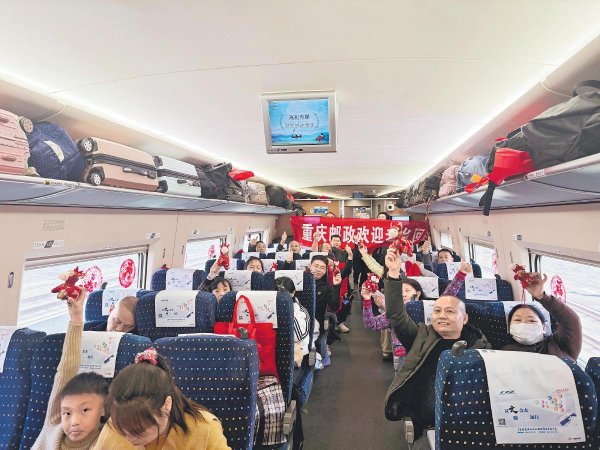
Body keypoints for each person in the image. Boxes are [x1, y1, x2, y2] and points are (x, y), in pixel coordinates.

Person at [383, 250, 489, 448]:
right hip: (429, 421)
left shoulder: (481, 346)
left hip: (470, 421)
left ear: (465, 318)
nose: (441, 315)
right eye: (437, 311)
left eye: (449, 311)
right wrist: (394, 275)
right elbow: (396, 315)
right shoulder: (420, 336)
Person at [93, 348, 230, 449]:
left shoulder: (205, 429)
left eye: (139, 432)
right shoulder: (118, 421)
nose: (129, 439)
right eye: (122, 431)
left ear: (167, 405)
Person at [33, 289, 109, 449]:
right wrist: (76, 318)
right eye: (67, 413)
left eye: (85, 410)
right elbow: (66, 370)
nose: (74, 422)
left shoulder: (104, 442)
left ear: (103, 409)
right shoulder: (53, 425)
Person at [503, 271, 582, 361]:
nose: (524, 324)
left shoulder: (560, 345)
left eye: (532, 321)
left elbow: (571, 321)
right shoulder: (503, 352)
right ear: (510, 327)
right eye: (517, 320)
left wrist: (542, 296)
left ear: (544, 327)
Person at [309, 255, 342, 360]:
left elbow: (334, 307)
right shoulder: (300, 283)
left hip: (316, 323)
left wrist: (336, 286)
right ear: (310, 266)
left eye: (322, 268)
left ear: (325, 271)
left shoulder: (326, 287)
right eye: (316, 266)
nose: (318, 270)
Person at [275, 276, 311, 366]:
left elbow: (299, 337)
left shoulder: (300, 312)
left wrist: (288, 313)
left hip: (295, 348)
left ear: (293, 292)